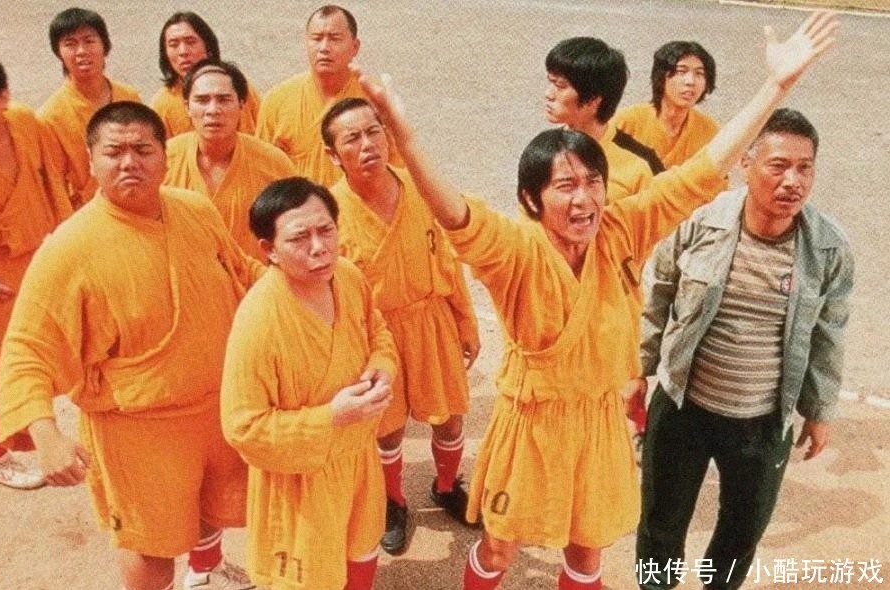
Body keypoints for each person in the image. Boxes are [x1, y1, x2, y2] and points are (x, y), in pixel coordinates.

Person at [354, 10, 838, 590]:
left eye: (593, 183)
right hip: (531, 424)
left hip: (601, 420)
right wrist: (404, 138)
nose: (584, 199)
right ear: (531, 200)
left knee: (588, 550)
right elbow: (455, 214)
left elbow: (699, 173)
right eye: (565, 186)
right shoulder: (514, 252)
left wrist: (776, 86)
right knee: (500, 546)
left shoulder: (621, 229)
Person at [0, 102, 262, 590]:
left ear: (165, 155)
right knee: (150, 549)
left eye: (143, 149)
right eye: (114, 152)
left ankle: (204, 570)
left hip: (216, 408)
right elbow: (29, 347)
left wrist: (305, 282)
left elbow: (244, 273)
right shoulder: (69, 248)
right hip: (138, 429)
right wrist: (46, 434)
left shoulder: (195, 209)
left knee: (211, 510)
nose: (129, 162)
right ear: (91, 160)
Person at [633, 108, 853, 590]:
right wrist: (638, 370)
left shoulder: (828, 249)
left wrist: (819, 411)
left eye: (805, 167)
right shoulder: (699, 223)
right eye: (779, 165)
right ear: (746, 166)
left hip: (761, 422)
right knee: (660, 525)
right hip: (683, 406)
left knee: (740, 534)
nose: (793, 181)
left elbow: (829, 333)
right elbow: (658, 293)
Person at [221, 177, 398, 590]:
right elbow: (242, 427)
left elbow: (378, 331)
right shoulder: (258, 320)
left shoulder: (348, 277)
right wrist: (330, 417)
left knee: (362, 553)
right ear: (269, 250)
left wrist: (382, 366)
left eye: (326, 230)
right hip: (298, 481)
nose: (319, 247)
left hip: (358, 460)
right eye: (299, 238)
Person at [322, 97, 480, 554]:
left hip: (430, 319)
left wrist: (466, 320)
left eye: (374, 131)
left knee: (449, 417)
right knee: (385, 427)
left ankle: (446, 486)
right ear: (333, 154)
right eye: (353, 138)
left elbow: (449, 260)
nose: (368, 144)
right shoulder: (329, 210)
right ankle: (393, 501)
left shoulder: (420, 187)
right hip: (374, 333)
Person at [0, 48, 72, 490]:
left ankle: (43, 436)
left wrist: (67, 236)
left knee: (45, 355)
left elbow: (54, 180)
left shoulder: (28, 124)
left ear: (3, 96)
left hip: (36, 263)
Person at [164, 59, 296, 260]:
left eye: (224, 100)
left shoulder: (273, 162)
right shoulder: (165, 159)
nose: (213, 110)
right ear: (187, 107)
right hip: (188, 275)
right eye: (202, 100)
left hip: (255, 277)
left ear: (241, 104)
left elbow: (296, 227)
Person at [255, 4, 400, 187]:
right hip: (300, 204)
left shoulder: (375, 97)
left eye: (335, 39)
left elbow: (398, 168)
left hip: (360, 202)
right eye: (316, 39)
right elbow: (260, 170)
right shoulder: (277, 101)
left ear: (355, 47)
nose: (324, 47)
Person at [38, 7, 141, 209]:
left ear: (105, 46)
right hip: (89, 211)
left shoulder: (129, 97)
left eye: (89, 41)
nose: (81, 51)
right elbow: (55, 185)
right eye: (70, 44)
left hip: (136, 200)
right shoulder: (50, 116)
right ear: (58, 53)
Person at [544, 36, 663, 203]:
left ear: (593, 99)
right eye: (551, 82)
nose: (548, 94)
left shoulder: (642, 163)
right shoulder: (543, 150)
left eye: (560, 86)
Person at [151, 11, 261, 138]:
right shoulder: (162, 104)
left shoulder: (237, 86)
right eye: (174, 45)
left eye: (190, 42)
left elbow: (263, 136)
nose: (183, 52)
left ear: (208, 46)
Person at [613, 41, 720, 169]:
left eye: (699, 73)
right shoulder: (627, 121)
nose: (690, 81)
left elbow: (716, 177)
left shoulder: (709, 130)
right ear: (661, 77)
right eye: (681, 71)